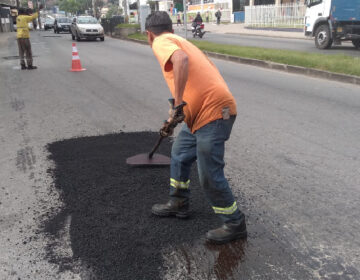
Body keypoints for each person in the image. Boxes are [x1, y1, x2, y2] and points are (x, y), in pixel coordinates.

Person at [145, 11, 247, 244]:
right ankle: (178, 202)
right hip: (200, 115)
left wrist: (178, 103)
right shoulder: (178, 40)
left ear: (149, 34)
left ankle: (234, 223)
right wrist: (176, 114)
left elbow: (181, 60)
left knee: (208, 172)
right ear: (170, 28)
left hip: (214, 113)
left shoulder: (161, 42)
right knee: (180, 153)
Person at [16, 6, 42, 70]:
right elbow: (33, 17)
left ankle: (22, 65)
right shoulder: (25, 17)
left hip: (19, 37)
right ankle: (29, 65)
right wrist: (38, 10)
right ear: (24, 12)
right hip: (24, 36)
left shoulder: (17, 18)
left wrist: (28, 28)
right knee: (28, 51)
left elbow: (23, 25)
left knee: (21, 52)